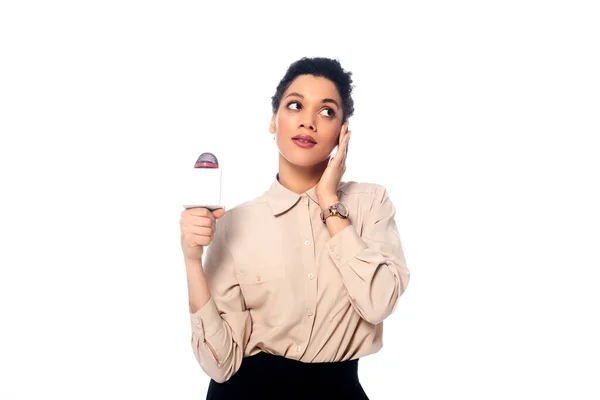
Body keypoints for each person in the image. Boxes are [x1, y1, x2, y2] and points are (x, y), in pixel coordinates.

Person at [180, 57, 410, 399]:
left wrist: (329, 201)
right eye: (295, 105)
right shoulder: (234, 224)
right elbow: (221, 363)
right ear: (274, 121)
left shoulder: (370, 204)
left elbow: (378, 303)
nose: (308, 121)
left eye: (327, 111)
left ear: (343, 131)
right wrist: (191, 260)